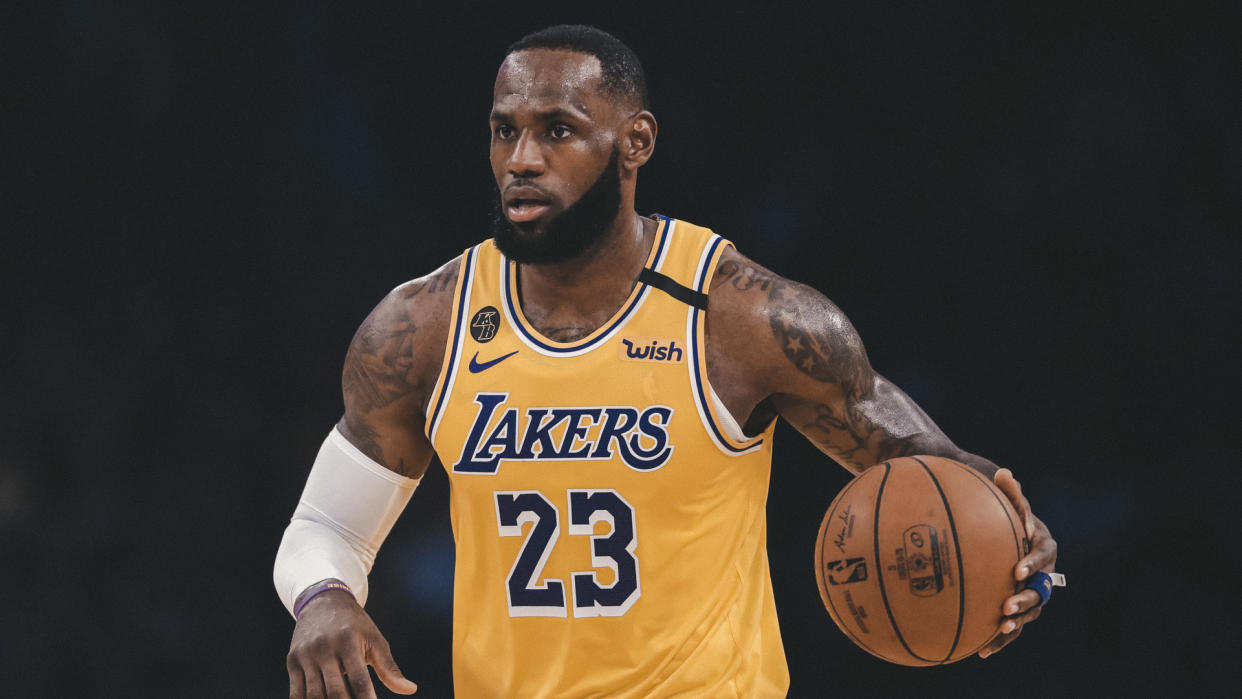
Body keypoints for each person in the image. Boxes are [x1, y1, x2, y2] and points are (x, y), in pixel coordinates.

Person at [274, 24, 1060, 699]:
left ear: (635, 142)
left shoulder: (745, 318)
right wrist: (324, 598)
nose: (521, 158)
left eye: (557, 129)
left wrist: (1018, 546)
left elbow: (941, 474)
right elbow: (326, 525)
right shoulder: (426, 325)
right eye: (503, 129)